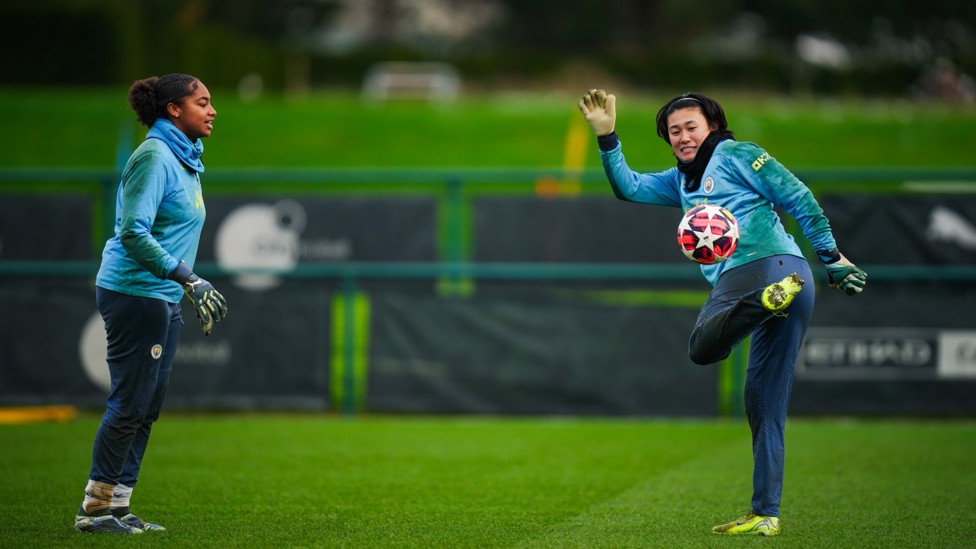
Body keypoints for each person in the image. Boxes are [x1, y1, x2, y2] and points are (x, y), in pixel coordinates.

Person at [578, 90, 867, 536]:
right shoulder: (680, 180)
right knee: (764, 405)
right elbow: (629, 187)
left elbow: (797, 196)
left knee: (702, 348)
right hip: (792, 281)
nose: (682, 137)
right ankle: (765, 514)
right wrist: (606, 137)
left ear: (712, 125)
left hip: (762, 271)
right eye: (674, 131)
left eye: (690, 126)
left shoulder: (737, 154)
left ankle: (762, 302)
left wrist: (832, 256)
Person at [74, 74, 228, 534]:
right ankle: (94, 511)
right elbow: (132, 232)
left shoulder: (184, 157)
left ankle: (119, 505)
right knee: (130, 402)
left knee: (148, 404)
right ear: (174, 110)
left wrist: (180, 283)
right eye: (202, 102)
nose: (212, 109)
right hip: (134, 292)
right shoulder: (156, 156)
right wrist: (188, 277)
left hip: (161, 294)